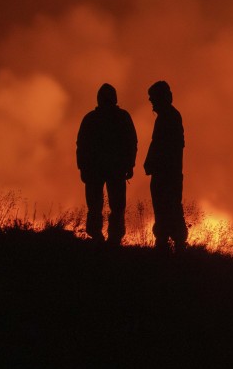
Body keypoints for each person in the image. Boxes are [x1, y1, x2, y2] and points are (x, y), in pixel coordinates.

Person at [76, 83, 137, 245]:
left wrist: (83, 167)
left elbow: (81, 145)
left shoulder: (91, 119)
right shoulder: (122, 117)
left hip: (96, 169)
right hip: (114, 168)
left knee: (96, 205)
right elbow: (131, 142)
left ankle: (97, 235)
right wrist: (130, 164)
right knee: (116, 206)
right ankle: (113, 238)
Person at [145, 80, 187, 251]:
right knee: (167, 207)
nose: (151, 102)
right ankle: (170, 242)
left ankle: (170, 242)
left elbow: (163, 146)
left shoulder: (169, 117)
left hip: (166, 174)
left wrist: (153, 163)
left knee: (168, 206)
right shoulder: (169, 116)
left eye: (153, 98)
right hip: (168, 173)